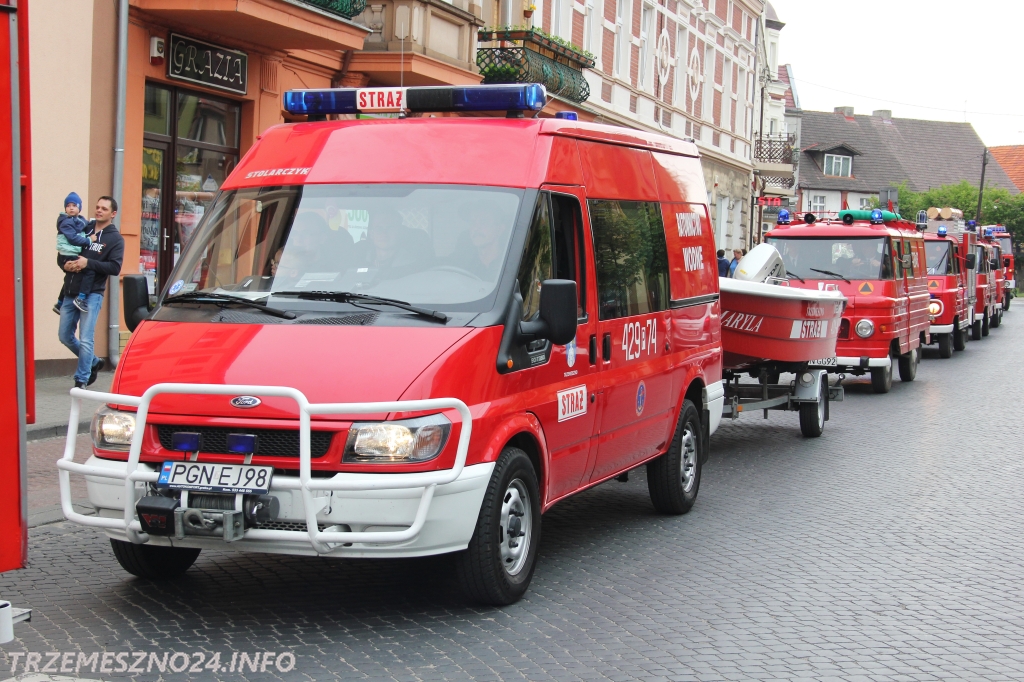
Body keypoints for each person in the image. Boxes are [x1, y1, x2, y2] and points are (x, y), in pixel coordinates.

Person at [58, 196, 124, 388]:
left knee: (86, 337)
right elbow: (64, 249)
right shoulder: (83, 227)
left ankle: (81, 379)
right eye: (97, 207)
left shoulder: (115, 239)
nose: (99, 210)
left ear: (113, 214)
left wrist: (88, 263)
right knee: (64, 336)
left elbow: (115, 268)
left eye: (104, 208)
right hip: (71, 290)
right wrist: (64, 264)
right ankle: (93, 361)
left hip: (92, 294)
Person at [53, 192, 96, 314]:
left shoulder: (78, 220)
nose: (71, 208)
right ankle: (81, 298)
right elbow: (73, 238)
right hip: (66, 254)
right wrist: (88, 240)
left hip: (69, 253)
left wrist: (95, 223)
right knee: (89, 270)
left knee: (70, 277)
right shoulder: (65, 222)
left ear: (79, 208)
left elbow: (85, 224)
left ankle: (60, 303)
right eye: (68, 206)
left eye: (74, 205)